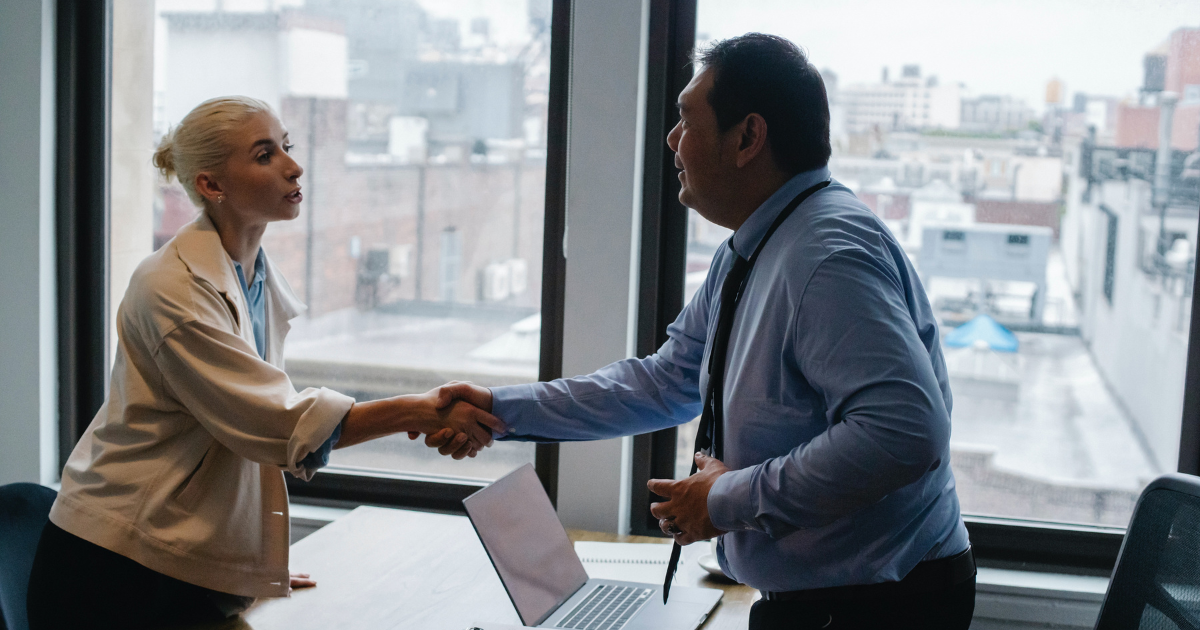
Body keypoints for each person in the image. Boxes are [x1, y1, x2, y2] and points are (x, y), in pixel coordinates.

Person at [433, 34, 975, 629]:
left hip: (875, 606)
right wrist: (500, 410)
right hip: (822, 600)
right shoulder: (754, 246)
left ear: (747, 138)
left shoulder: (826, 257)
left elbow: (904, 434)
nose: (672, 140)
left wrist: (724, 499)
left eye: (686, 120)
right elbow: (665, 383)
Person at [25, 96, 504, 629]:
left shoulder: (250, 276)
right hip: (115, 570)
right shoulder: (174, 289)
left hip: (178, 560)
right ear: (211, 185)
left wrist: (249, 562)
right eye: (264, 155)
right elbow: (275, 423)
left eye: (287, 148)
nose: (293, 166)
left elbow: (248, 435)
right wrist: (423, 412)